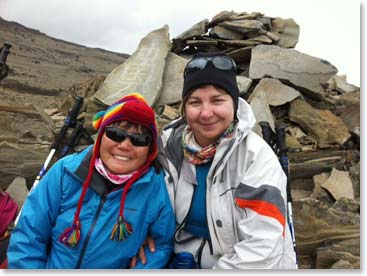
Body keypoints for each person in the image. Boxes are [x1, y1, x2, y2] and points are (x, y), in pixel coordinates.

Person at [152, 52, 297, 269]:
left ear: (234, 104)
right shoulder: (168, 147)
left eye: (217, 100)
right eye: (195, 102)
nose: (206, 113)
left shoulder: (256, 157)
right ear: (184, 108)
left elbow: (262, 249)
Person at [7, 93, 175, 269]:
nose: (125, 145)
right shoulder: (66, 172)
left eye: (139, 139)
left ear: (150, 149)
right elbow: (28, 235)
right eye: (115, 133)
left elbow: (161, 245)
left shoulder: (154, 189)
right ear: (101, 135)